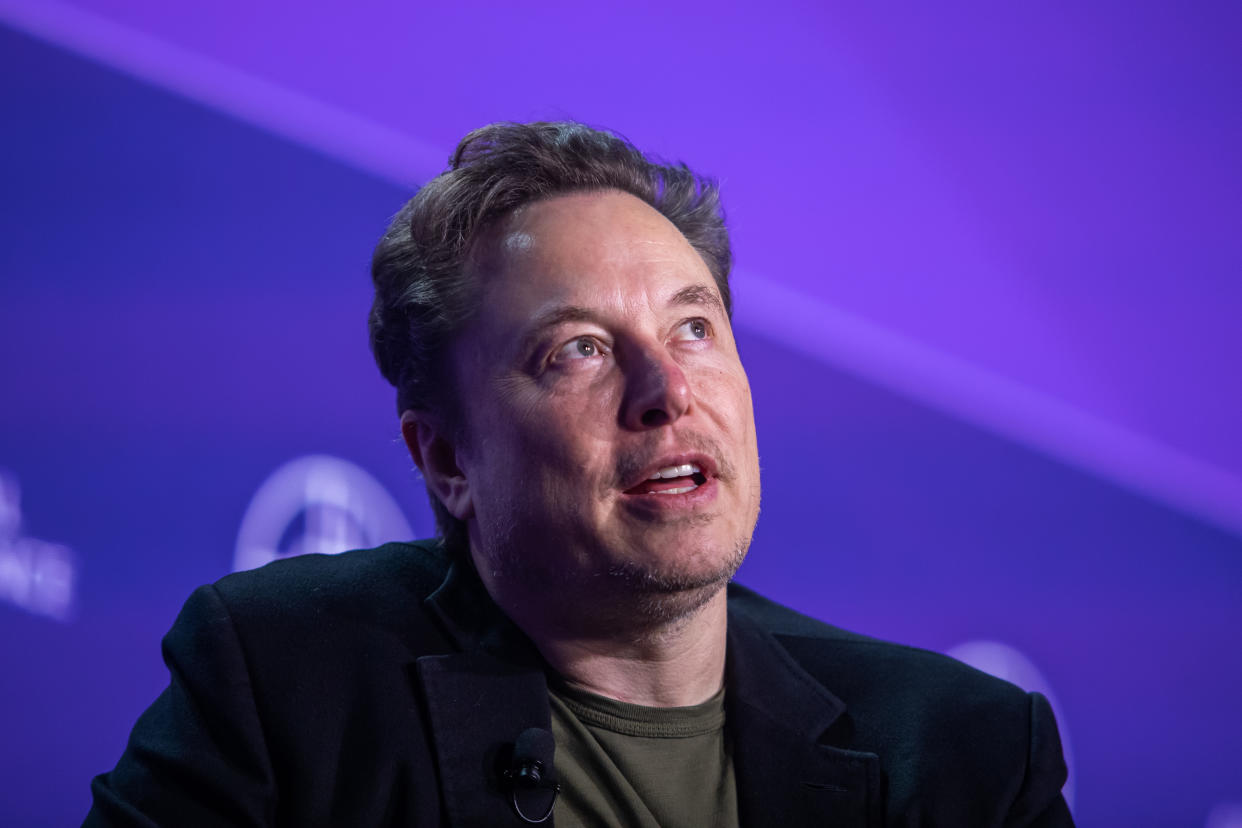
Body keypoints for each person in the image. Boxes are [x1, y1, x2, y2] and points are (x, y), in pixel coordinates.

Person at [85, 121, 1073, 827]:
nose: (666, 390)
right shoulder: (288, 683)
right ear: (444, 457)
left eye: (694, 327)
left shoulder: (962, 759)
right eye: (579, 350)